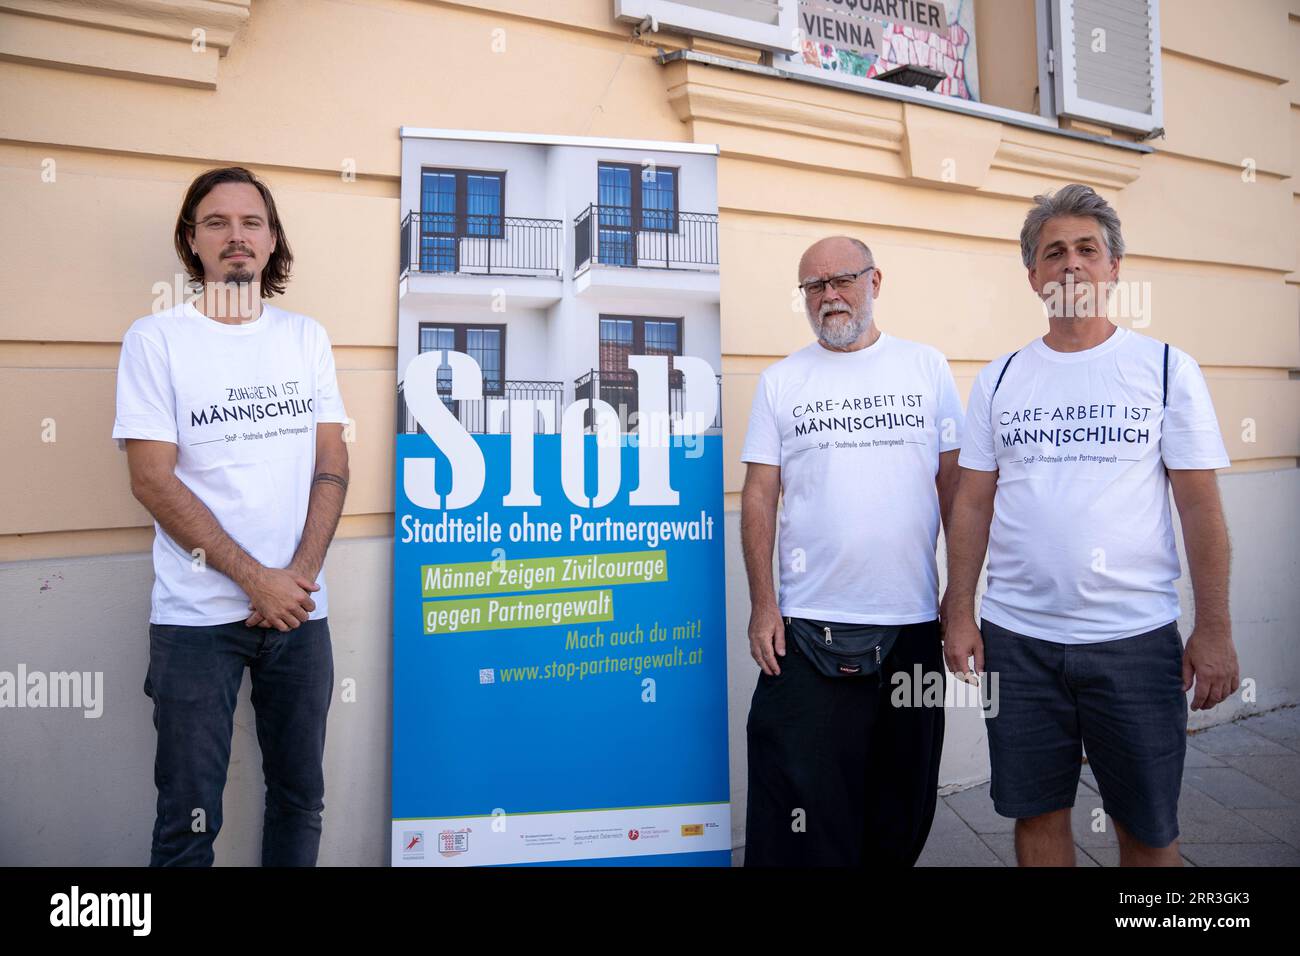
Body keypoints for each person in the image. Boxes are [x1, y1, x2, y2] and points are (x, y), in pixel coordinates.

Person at [941, 183, 1239, 866]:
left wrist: (1215, 628)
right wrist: (960, 612)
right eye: (1054, 253)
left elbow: (1200, 508)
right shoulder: (1001, 378)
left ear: (1113, 269)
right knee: (1036, 814)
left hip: (1134, 640)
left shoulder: (1165, 370)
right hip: (1019, 641)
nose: (1070, 264)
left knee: (1147, 828)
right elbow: (972, 505)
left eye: (1086, 249)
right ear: (1033, 276)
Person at [112, 166, 350, 866]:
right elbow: (152, 482)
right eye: (217, 222)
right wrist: (258, 582)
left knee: (301, 799)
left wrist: (296, 579)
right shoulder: (155, 340)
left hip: (301, 613)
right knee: (186, 824)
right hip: (196, 621)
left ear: (273, 240)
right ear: (192, 240)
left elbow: (332, 463)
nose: (236, 237)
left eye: (252, 222)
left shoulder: (306, 337)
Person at [740, 235, 963, 866]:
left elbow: (957, 489)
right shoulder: (782, 381)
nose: (829, 295)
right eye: (815, 286)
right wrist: (764, 605)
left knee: (901, 803)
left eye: (843, 279)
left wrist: (962, 597)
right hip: (807, 629)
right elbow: (759, 497)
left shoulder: (926, 368)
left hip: (912, 626)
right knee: (797, 805)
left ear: (875, 281)